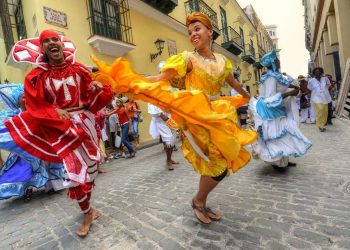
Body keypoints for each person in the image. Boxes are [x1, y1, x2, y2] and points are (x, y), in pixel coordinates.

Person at [93, 12, 257, 224]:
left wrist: (250, 99)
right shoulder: (187, 58)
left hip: (217, 115)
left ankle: (201, 200)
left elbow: (234, 84)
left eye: (197, 29)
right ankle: (198, 201)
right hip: (193, 117)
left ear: (210, 31)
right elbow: (158, 79)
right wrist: (128, 82)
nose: (193, 34)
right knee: (217, 165)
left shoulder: (223, 61)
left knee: (223, 160)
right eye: (190, 32)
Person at [5, 30, 113, 236]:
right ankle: (87, 212)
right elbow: (35, 105)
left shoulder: (80, 69)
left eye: (55, 39)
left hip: (87, 125)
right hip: (61, 128)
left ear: (62, 45)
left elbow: (91, 100)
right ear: (42, 48)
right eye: (46, 41)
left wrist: (98, 89)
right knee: (74, 174)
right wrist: (54, 110)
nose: (52, 43)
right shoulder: (37, 77)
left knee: (90, 170)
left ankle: (89, 207)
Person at [0, 84, 66, 200]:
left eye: (27, 96)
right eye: (22, 97)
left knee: (48, 163)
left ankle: (53, 186)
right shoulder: (13, 115)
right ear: (17, 100)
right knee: (26, 166)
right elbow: (7, 127)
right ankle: (27, 189)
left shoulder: (37, 111)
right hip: (25, 148)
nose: (25, 99)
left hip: (41, 143)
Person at [249, 50, 312, 168]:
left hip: (278, 109)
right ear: (272, 62)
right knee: (276, 136)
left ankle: (284, 160)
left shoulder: (276, 76)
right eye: (276, 60)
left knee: (284, 135)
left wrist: (294, 88)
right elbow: (270, 97)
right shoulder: (270, 78)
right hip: (270, 111)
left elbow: (286, 85)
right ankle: (277, 162)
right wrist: (289, 93)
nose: (279, 61)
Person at [308, 67, 332, 132]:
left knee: (325, 112)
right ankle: (319, 125)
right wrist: (309, 99)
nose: (317, 73)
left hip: (325, 98)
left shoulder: (325, 79)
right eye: (316, 72)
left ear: (321, 72)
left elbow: (329, 86)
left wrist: (328, 94)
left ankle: (322, 125)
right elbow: (309, 90)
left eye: (319, 72)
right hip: (316, 98)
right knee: (320, 110)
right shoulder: (311, 81)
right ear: (314, 73)